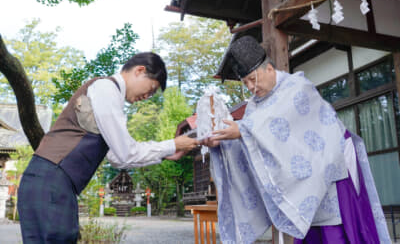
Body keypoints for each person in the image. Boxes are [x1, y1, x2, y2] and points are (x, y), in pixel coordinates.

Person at [202, 36, 391, 243]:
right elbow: (250, 139)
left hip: (331, 170)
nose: (250, 87)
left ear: (270, 69)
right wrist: (223, 141)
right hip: (302, 185)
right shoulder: (255, 108)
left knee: (337, 232)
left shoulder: (298, 87)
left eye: (253, 79)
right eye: (245, 82)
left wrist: (244, 131)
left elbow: (270, 124)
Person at [17, 52, 199, 243]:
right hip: (52, 180)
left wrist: (166, 153)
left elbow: (116, 157)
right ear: (140, 70)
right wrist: (172, 144)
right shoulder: (106, 88)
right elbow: (126, 152)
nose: (147, 96)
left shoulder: (108, 94)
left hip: (48, 181)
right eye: (151, 89)